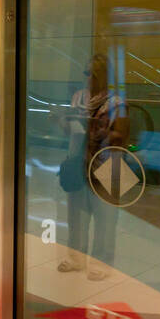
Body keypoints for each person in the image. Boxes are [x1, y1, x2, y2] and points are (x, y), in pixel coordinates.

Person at [56, 54, 128, 282]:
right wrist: (62, 121)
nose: (87, 78)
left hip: (105, 161)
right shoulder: (79, 98)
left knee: (104, 214)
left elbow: (122, 134)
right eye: (86, 72)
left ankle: (100, 261)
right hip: (78, 159)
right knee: (76, 212)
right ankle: (76, 256)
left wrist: (102, 132)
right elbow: (70, 130)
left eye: (92, 73)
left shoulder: (117, 102)